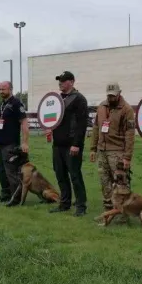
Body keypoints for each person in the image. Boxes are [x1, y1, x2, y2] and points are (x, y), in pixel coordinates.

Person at [89, 82, 135, 225]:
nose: (111, 98)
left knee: (121, 184)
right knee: (105, 183)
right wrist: (93, 148)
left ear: (119, 93)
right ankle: (108, 214)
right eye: (109, 95)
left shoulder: (127, 109)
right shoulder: (102, 107)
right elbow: (96, 127)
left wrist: (127, 157)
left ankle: (123, 216)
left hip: (118, 152)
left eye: (113, 96)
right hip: (102, 150)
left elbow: (130, 134)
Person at [48, 71, 90, 216]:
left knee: (75, 175)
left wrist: (77, 144)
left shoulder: (79, 99)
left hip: (72, 144)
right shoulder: (58, 99)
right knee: (60, 174)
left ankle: (81, 206)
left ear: (71, 82)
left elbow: (82, 124)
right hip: (58, 144)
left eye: (63, 80)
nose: (60, 83)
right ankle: (64, 203)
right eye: (59, 80)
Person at [0, 81, 29, 205]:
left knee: (11, 172)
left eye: (4, 89)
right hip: (0, 142)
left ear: (11, 89)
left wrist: (24, 142)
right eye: (0, 89)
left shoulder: (16, 103)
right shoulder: (1, 104)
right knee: (2, 171)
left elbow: (24, 122)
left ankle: (16, 198)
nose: (1, 91)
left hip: (11, 143)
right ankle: (5, 194)